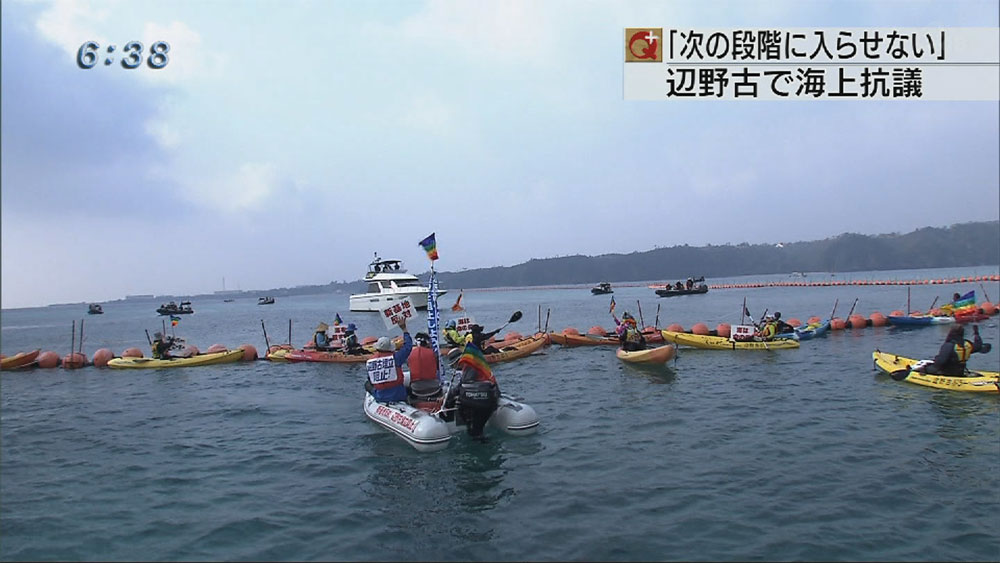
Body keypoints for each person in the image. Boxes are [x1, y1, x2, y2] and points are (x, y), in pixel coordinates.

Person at [364, 318, 413, 402]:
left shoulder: (370, 361)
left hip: (380, 396)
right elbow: (408, 346)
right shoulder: (396, 358)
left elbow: (371, 379)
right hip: (398, 394)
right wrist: (404, 329)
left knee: (367, 384)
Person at [917, 324, 990, 376]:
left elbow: (940, 362)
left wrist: (925, 369)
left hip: (947, 372)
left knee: (926, 367)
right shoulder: (967, 344)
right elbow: (978, 346)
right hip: (960, 371)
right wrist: (976, 333)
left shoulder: (949, 345)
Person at [408, 332, 442, 401]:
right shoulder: (433, 354)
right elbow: (438, 369)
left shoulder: (410, 354)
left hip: (416, 390)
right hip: (434, 388)